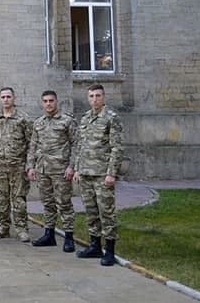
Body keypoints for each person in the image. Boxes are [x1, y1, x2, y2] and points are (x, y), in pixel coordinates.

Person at [74, 84, 125, 266]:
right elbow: (80, 146)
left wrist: (111, 173)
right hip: (86, 173)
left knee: (107, 212)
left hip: (102, 174)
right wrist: (77, 168)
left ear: (104, 97)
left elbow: (116, 148)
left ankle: (109, 250)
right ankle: (94, 245)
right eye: (91, 96)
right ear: (88, 98)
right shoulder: (85, 118)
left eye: (98, 96)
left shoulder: (111, 118)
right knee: (91, 211)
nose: (94, 99)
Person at [27, 90, 77, 252]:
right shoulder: (39, 123)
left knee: (64, 203)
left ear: (57, 102)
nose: (48, 104)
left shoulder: (67, 121)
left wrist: (72, 166)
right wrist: (31, 166)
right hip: (43, 169)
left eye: (51, 101)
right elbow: (33, 145)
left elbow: (76, 144)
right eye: (46, 101)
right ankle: (49, 234)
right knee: (47, 203)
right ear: (42, 103)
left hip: (61, 170)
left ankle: (69, 237)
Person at [0, 87, 32, 242]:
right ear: (0, 99)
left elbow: (31, 142)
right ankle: (3, 227)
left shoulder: (23, 118)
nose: (6, 99)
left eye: (8, 96)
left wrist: (29, 164)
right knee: (1, 198)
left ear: (14, 98)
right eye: (3, 97)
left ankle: (21, 228)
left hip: (17, 165)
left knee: (18, 198)